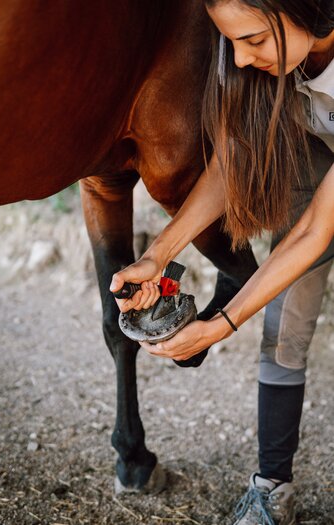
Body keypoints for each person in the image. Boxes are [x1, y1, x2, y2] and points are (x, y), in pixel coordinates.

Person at [110, 1, 334, 523]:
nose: (239, 56)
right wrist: (156, 255)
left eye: (254, 39)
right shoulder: (269, 62)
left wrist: (219, 326)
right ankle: (272, 487)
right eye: (230, 40)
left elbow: (312, 233)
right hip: (315, 162)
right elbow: (235, 158)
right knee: (285, 324)